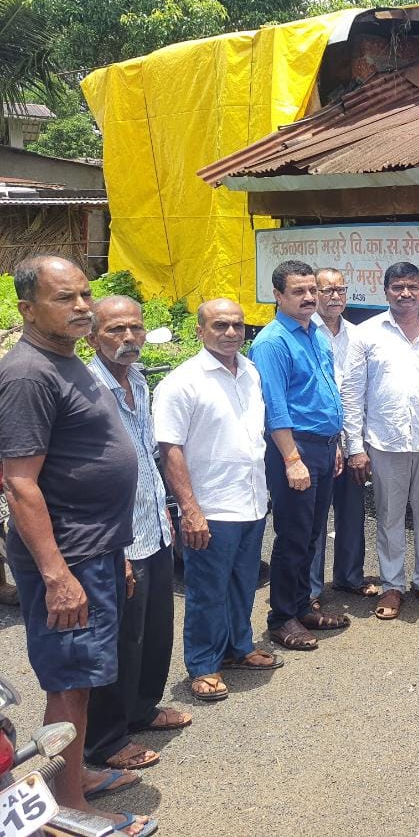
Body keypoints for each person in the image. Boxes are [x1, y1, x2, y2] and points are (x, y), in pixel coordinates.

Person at [0, 254, 154, 836]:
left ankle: (73, 778)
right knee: (69, 681)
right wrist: (57, 575)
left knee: (86, 676)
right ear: (27, 308)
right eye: (65, 298)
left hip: (95, 550)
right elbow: (19, 483)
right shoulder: (27, 374)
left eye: (85, 294)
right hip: (67, 558)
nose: (83, 307)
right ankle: (67, 811)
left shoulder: (67, 361)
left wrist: (116, 552)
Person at [155, 298, 281, 703]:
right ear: (200, 331)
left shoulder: (250, 372)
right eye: (220, 325)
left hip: (251, 500)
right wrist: (189, 510)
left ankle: (238, 648)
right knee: (207, 591)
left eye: (237, 325)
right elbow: (170, 450)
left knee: (243, 583)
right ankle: (203, 664)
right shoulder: (182, 382)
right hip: (210, 507)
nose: (230, 332)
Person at [83, 297, 187, 774]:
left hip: (153, 526)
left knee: (155, 630)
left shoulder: (140, 381)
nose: (128, 338)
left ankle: (142, 710)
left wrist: (166, 510)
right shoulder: (87, 390)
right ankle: (105, 741)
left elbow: (146, 455)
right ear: (92, 337)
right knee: (118, 640)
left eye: (135, 328)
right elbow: (89, 476)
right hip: (117, 538)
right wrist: (115, 548)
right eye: (115, 330)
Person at [342, 262, 419, 621]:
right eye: (397, 287)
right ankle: (392, 585)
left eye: (412, 287)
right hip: (385, 442)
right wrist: (355, 447)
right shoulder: (367, 334)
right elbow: (352, 393)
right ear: (385, 291)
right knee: (389, 517)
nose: (405, 294)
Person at [249, 260, 349, 651]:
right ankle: (281, 618)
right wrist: (292, 460)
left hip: (323, 446)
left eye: (312, 290)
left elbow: (325, 393)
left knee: (312, 533)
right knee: (292, 536)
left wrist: (335, 443)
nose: (309, 297)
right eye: (298, 291)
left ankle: (302, 605)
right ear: (278, 295)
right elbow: (275, 408)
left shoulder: (315, 334)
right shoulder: (272, 342)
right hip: (295, 449)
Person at [310, 267, 374, 608]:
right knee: (315, 518)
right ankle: (310, 589)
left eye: (341, 290)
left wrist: (356, 443)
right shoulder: (304, 333)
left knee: (352, 511)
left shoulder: (358, 334)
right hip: (317, 438)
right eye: (327, 290)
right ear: (314, 293)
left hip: (352, 438)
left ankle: (350, 577)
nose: (335, 296)